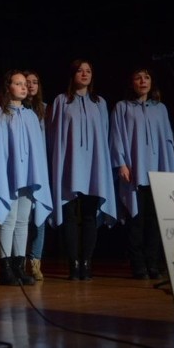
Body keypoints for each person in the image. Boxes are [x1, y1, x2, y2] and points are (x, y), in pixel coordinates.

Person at [47, 59, 116, 280]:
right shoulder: (61, 101)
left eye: (88, 71)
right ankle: (73, 263)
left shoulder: (100, 103)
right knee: (69, 216)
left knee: (89, 217)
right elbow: (53, 135)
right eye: (80, 70)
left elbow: (104, 136)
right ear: (72, 75)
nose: (84, 74)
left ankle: (86, 261)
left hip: (94, 165)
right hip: (69, 164)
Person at [110, 65, 174, 280]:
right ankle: (138, 265)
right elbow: (116, 137)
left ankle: (153, 263)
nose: (143, 81)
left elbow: (168, 139)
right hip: (134, 170)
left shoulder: (161, 108)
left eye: (147, 77)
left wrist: (173, 167)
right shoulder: (122, 107)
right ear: (131, 83)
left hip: (158, 170)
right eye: (138, 77)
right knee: (136, 219)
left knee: (154, 219)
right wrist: (121, 163)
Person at [0, 70, 52, 285]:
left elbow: (37, 150)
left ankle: (19, 265)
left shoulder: (30, 116)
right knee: (8, 220)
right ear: (9, 87)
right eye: (18, 83)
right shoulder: (0, 114)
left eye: (24, 83)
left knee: (23, 221)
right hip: (9, 174)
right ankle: (5, 267)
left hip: (28, 176)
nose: (24, 87)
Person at [23, 69, 48, 281]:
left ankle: (35, 261)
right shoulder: (15, 110)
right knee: (23, 218)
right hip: (24, 169)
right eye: (27, 82)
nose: (31, 86)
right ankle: (20, 260)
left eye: (34, 82)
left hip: (42, 169)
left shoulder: (45, 110)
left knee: (40, 217)